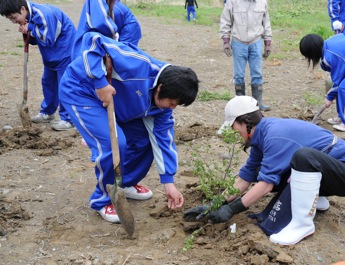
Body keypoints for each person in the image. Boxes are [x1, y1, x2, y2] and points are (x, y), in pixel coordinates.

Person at [184, 96, 345, 245]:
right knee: (262, 169)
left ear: (245, 121)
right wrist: (214, 204)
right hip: (329, 174)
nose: (233, 132)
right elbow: (245, 178)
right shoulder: (259, 138)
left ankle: (302, 224)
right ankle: (315, 198)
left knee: (303, 157)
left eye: (234, 126)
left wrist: (231, 209)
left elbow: (265, 186)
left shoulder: (274, 135)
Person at [59, 32, 200, 223]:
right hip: (81, 90)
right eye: (172, 102)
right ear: (160, 88)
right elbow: (93, 40)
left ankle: (124, 184)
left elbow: (164, 141)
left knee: (145, 140)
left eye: (177, 105)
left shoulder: (162, 107)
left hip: (118, 104)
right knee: (114, 143)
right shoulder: (136, 65)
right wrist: (100, 83)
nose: (172, 108)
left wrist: (169, 183)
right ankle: (102, 199)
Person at [0, 0, 76, 131]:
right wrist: (27, 32)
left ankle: (68, 119)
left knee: (64, 85)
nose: (13, 21)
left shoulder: (42, 14)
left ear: (23, 9)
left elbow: (48, 38)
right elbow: (37, 39)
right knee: (48, 82)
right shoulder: (29, 15)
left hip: (64, 51)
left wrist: (29, 28)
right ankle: (48, 112)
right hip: (51, 54)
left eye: (14, 18)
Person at [220, 0, 272, 111]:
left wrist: (267, 43)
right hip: (239, 42)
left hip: (256, 41)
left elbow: (266, 22)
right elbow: (225, 21)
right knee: (238, 75)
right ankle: (240, 103)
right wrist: (226, 42)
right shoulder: (232, 2)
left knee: (257, 74)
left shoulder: (262, 2)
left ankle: (258, 102)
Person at [71, 0, 142, 60]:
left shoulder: (114, 9)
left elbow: (106, 27)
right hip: (121, 25)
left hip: (129, 28)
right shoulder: (95, 4)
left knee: (122, 57)